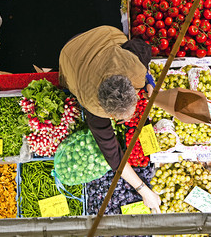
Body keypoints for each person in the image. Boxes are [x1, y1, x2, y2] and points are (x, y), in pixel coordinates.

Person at [59, 25, 161, 213]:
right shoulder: (91, 104)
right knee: (70, 78)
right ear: (108, 114)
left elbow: (143, 46)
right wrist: (143, 190)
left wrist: (148, 80)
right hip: (72, 53)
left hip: (103, 36)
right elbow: (112, 153)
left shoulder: (132, 66)